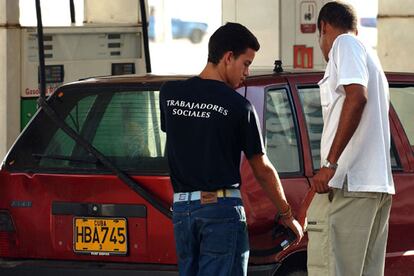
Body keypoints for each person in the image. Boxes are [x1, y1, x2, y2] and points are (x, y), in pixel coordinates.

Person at [159, 22, 303, 276]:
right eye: (246, 63)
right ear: (228, 58)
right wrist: (286, 213)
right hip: (220, 212)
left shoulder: (169, 95)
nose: (247, 71)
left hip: (182, 211)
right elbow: (261, 167)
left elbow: (186, 140)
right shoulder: (238, 106)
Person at [307, 2, 395, 276]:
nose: (323, 48)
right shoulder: (369, 56)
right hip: (373, 186)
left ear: (323, 28)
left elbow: (356, 97)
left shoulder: (344, 44)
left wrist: (330, 163)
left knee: (330, 267)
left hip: (349, 183)